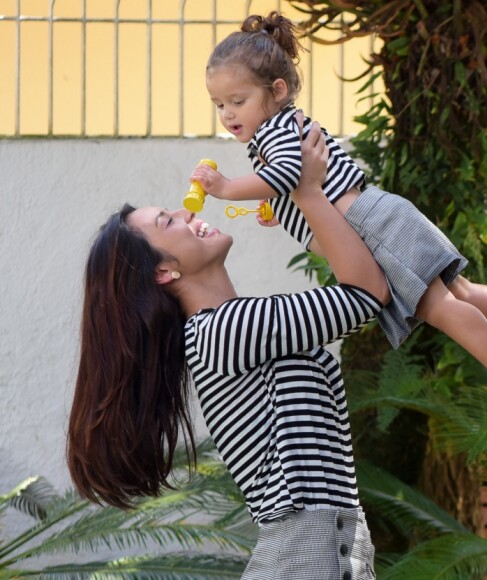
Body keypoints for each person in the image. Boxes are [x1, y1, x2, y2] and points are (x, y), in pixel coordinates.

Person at [190, 11, 487, 413]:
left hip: (370, 226)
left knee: (436, 306)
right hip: (380, 214)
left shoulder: (273, 129)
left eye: (238, 101)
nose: (227, 114)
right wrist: (280, 208)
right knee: (460, 290)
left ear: (279, 90)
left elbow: (291, 173)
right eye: (218, 104)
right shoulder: (282, 126)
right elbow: (295, 181)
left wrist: (228, 188)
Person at [67, 119, 388, 579]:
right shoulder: (223, 331)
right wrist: (310, 193)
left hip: (323, 546)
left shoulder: (235, 327)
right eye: (167, 222)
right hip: (308, 549)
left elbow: (363, 285)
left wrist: (300, 201)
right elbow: (368, 293)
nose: (186, 213)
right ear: (163, 273)